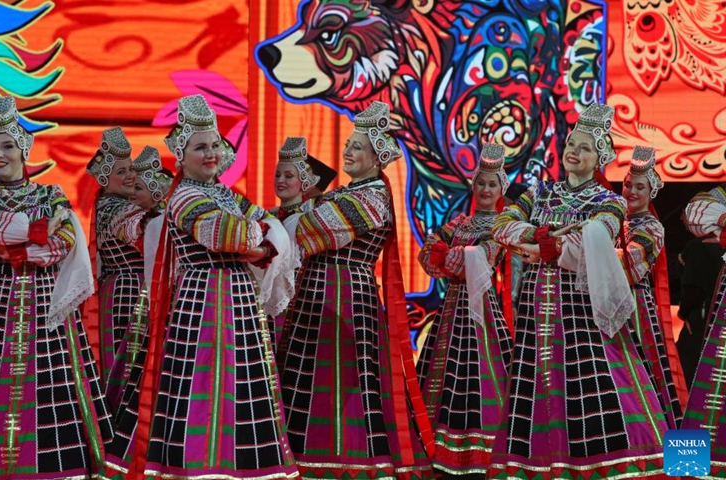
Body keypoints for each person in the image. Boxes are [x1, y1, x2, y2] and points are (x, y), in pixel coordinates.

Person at [0, 96, 112, 478]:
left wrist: (20, 247)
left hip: (48, 305)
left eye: (8, 146)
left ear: (24, 149)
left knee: (53, 389)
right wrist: (38, 231)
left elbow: (63, 244)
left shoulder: (51, 194)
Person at [118, 94, 298, 480]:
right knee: (203, 382)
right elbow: (226, 234)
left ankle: (241, 465)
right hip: (202, 300)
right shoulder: (183, 195)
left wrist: (261, 238)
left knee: (242, 383)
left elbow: (275, 229)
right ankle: (198, 466)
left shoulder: (225, 194)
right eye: (201, 147)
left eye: (215, 145)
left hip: (239, 300)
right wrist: (261, 237)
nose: (212, 153)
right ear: (181, 156)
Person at [489, 103, 667, 478]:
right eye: (571, 144)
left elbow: (597, 239)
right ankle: (540, 464)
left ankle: (605, 463)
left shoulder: (609, 201)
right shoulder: (539, 192)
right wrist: (539, 238)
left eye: (585, 148)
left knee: (592, 381)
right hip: (538, 304)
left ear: (599, 158)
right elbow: (502, 225)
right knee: (536, 382)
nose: (574, 151)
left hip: (581, 307)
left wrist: (549, 246)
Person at [277, 101, 434, 479]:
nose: (347, 151)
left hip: (345, 297)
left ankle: (344, 461)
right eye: (348, 144)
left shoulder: (371, 198)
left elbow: (310, 230)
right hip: (317, 295)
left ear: (377, 158)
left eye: (357, 147)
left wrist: (291, 217)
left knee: (343, 381)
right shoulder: (345, 194)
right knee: (305, 376)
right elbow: (298, 222)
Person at [416, 142, 513, 479]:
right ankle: (437, 445)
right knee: (444, 371)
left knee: (480, 371)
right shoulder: (460, 223)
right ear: (473, 186)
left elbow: (481, 258)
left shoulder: (502, 225)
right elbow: (428, 253)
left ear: (501, 190)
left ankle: (482, 448)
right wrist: (444, 255)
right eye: (481, 183)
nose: (485, 189)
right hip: (452, 306)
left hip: (483, 306)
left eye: (492, 184)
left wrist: (448, 255)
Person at [620, 146, 685, 428]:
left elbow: (629, 266)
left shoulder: (653, 228)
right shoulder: (611, 222)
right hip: (604, 303)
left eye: (640, 187)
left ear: (651, 192)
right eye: (628, 185)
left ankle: (658, 443)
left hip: (635, 308)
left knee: (642, 373)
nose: (632, 191)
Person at [104, 146, 171, 409]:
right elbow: (134, 229)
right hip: (132, 296)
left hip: (148, 292)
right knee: (128, 364)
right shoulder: (118, 211)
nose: (131, 192)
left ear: (156, 193)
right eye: (124, 177)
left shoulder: (159, 217)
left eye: (138, 188)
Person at [86, 127, 153, 387]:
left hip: (118, 290)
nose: (130, 176)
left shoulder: (108, 206)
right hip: (130, 295)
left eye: (131, 169)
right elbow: (139, 231)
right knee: (130, 371)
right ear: (105, 179)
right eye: (121, 172)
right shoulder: (116, 209)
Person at [680, 181, 726, 477]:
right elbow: (694, 213)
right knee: (700, 391)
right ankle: (686, 468)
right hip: (712, 316)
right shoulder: (715, 199)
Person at [269, 136, 320, 344]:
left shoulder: (309, 219)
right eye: (277, 175)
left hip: (301, 302)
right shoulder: (267, 216)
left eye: (288, 176)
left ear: (304, 183)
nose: (280, 180)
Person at [676, 236, 724, 390]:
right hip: (717, 316)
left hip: (703, 319)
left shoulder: (699, 245)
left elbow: (693, 290)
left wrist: (683, 313)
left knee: (692, 371)